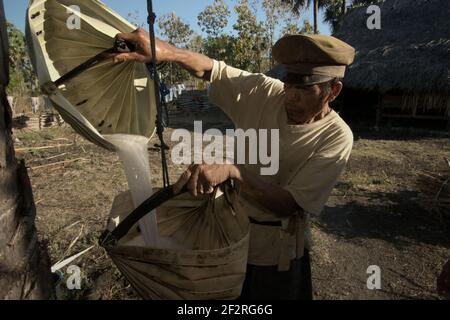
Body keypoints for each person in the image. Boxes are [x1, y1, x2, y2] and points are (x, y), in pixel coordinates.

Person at [112, 28, 355, 300]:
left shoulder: (336, 137)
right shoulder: (266, 92)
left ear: (332, 91)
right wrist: (166, 52)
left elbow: (289, 203)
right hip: (225, 234)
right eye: (289, 85)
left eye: (304, 90)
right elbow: (212, 70)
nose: (290, 97)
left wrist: (233, 171)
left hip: (275, 254)